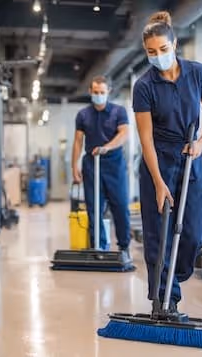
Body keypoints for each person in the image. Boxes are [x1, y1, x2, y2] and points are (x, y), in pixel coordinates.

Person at [133, 11, 202, 315]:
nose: (157, 57)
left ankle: (175, 277)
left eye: (163, 50)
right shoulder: (144, 86)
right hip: (158, 160)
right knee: (159, 235)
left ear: (175, 44)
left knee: (193, 235)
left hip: (190, 157)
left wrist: (201, 143)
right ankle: (164, 298)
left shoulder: (197, 73)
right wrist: (158, 182)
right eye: (151, 53)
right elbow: (145, 140)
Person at [71, 75, 132, 261]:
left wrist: (108, 147)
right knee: (93, 207)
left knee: (120, 205)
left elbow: (124, 134)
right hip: (91, 164)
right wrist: (74, 165)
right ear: (90, 92)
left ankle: (123, 246)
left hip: (114, 163)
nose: (98, 95)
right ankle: (99, 246)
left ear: (108, 92)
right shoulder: (83, 115)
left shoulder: (119, 112)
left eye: (102, 92)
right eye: (95, 92)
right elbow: (78, 141)